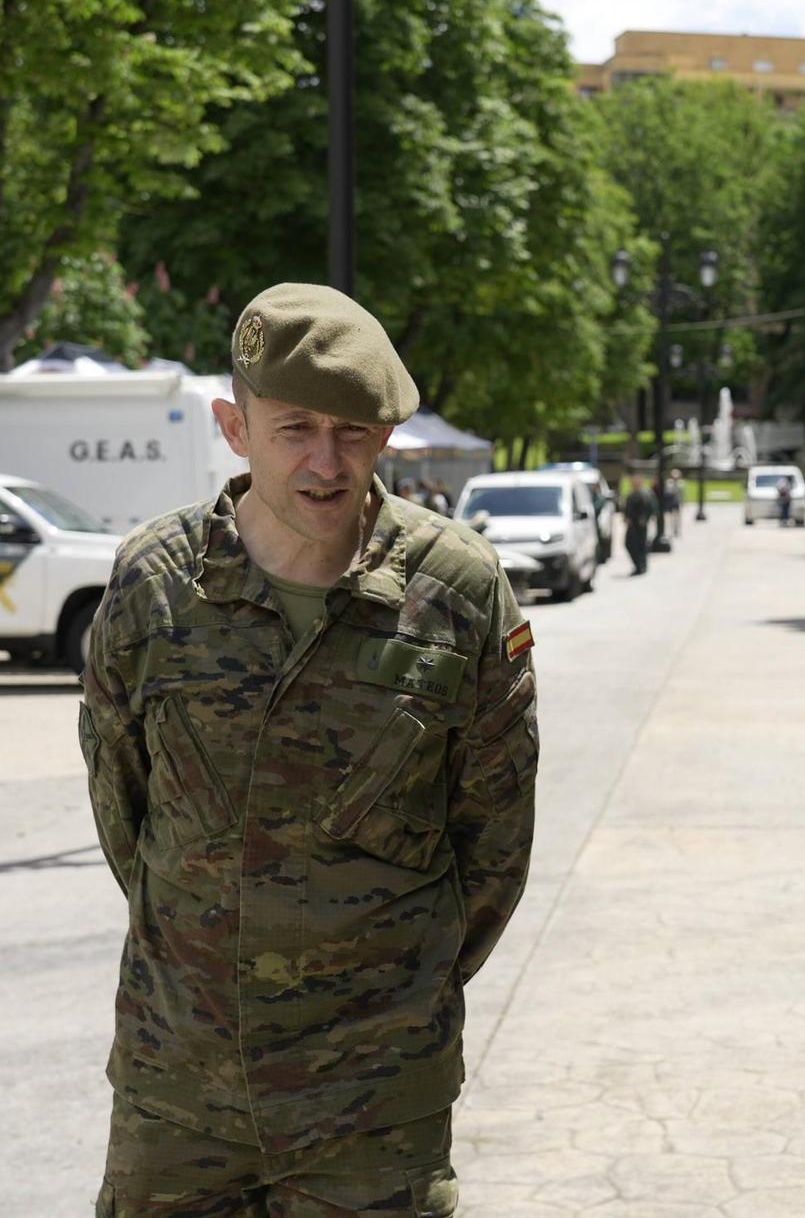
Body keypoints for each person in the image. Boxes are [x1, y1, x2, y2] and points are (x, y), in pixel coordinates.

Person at [81, 284, 539, 1218]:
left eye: (354, 432)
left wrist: (391, 990)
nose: (326, 462)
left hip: (373, 1105)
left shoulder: (457, 589)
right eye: (294, 428)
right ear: (233, 425)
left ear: (384, 438)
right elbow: (123, 814)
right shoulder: (152, 585)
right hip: (180, 1094)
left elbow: (494, 846)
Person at [623, 478, 655, 574]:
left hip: (640, 525)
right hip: (632, 524)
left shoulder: (645, 495)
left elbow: (650, 508)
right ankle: (638, 564)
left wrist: (645, 518)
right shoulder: (631, 495)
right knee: (629, 544)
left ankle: (641, 566)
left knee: (641, 545)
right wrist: (626, 517)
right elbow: (627, 508)